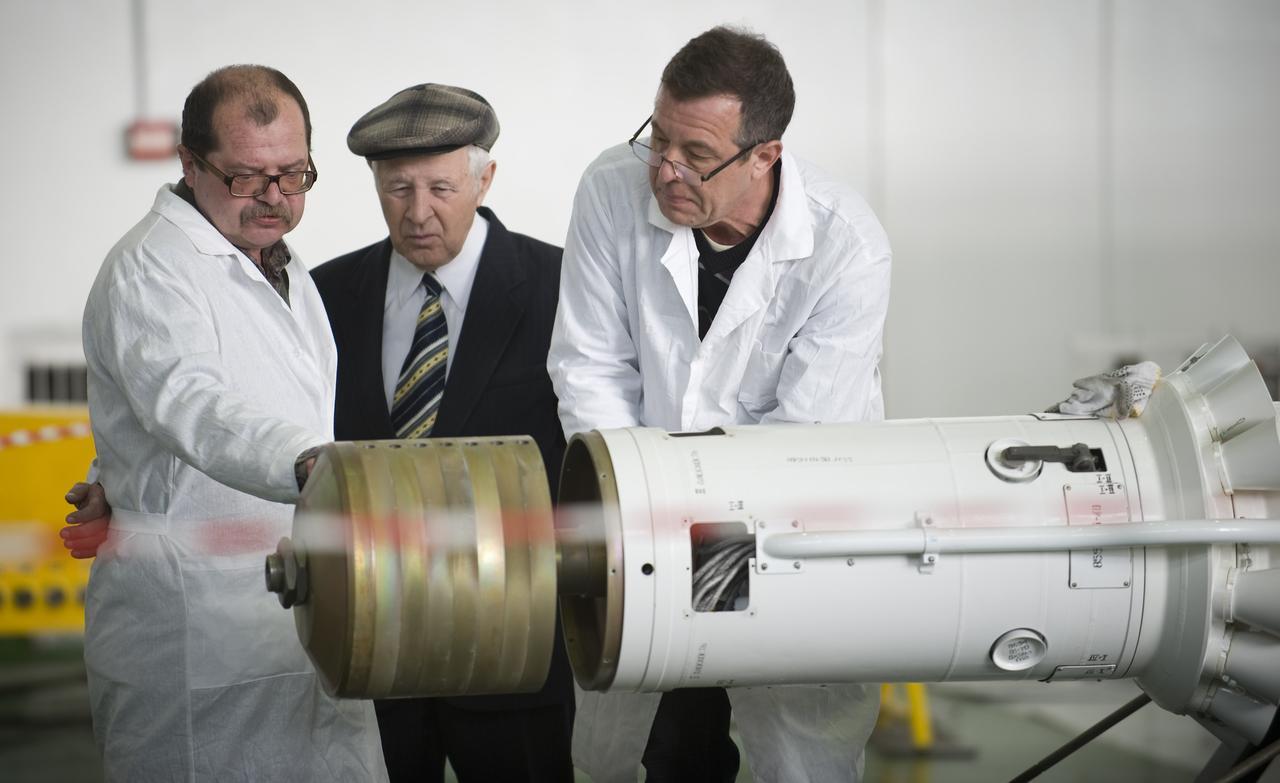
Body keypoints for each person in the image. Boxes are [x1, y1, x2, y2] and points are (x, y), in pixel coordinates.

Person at [547, 26, 892, 783]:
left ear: (764, 155)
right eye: (658, 138)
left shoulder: (846, 247)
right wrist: (644, 527)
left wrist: (700, 570)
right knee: (633, 753)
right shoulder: (611, 188)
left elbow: (803, 441)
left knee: (796, 758)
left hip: (790, 535)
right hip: (638, 529)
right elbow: (590, 369)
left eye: (696, 154)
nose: (666, 169)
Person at [75, 65, 386, 781]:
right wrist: (310, 464)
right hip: (195, 621)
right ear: (190, 163)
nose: (274, 197)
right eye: (247, 177)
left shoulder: (278, 263)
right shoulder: (151, 269)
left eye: (294, 174)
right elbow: (192, 400)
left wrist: (112, 472)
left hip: (298, 601)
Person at [313, 83, 575, 782]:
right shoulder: (325, 297)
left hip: (513, 641)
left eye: (440, 188)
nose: (418, 212)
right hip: (369, 640)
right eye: (398, 189)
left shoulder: (562, 288)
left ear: (485, 180)